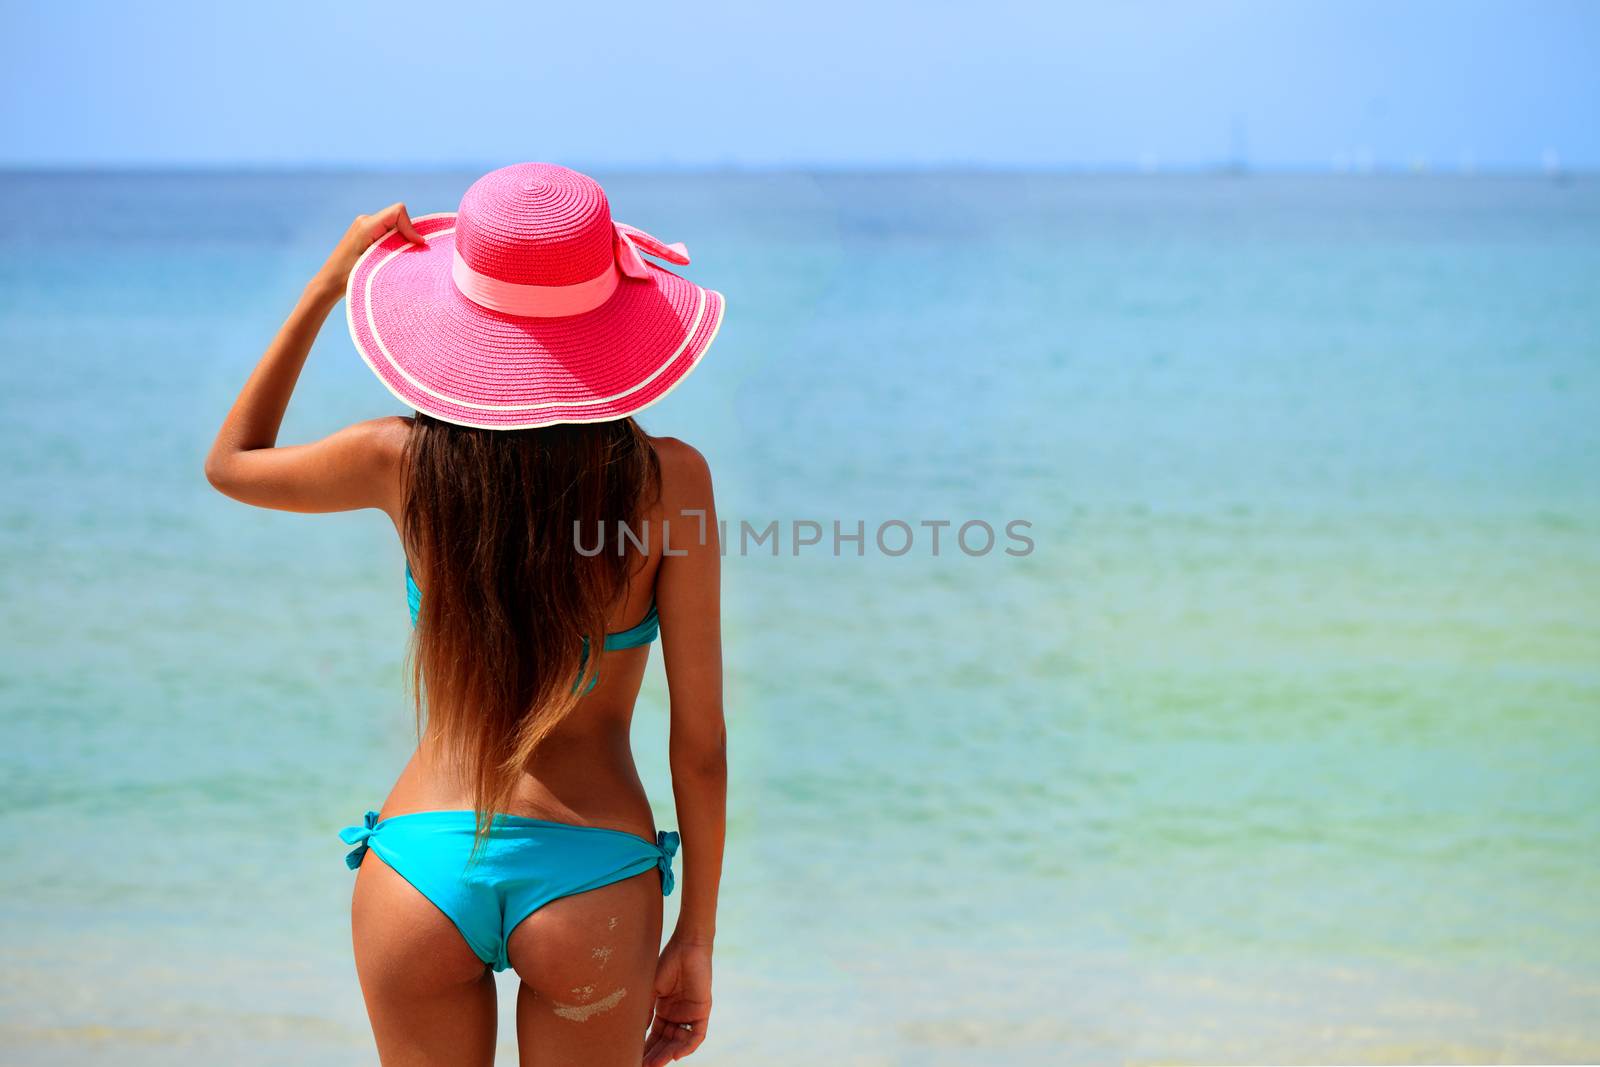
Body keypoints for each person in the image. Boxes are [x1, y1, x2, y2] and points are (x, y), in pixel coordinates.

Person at [205, 163, 728, 1066]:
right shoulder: (668, 482)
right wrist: (696, 938)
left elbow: (234, 460)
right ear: (614, 325)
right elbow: (702, 744)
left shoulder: (402, 461)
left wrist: (325, 290)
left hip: (419, 865)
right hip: (592, 872)